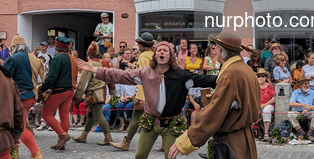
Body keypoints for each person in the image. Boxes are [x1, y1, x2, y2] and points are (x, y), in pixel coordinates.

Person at [77, 40, 218, 159]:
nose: (161, 52)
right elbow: (120, 75)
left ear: (171, 55)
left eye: (165, 50)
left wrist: (226, 76)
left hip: (172, 123)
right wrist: (96, 70)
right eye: (159, 50)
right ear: (155, 55)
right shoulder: (145, 73)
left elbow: (205, 80)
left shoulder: (181, 76)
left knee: (170, 157)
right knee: (140, 156)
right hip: (150, 122)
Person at [170, 30, 260, 159]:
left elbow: (214, 114)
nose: (215, 50)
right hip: (245, 137)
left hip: (232, 142)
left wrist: (185, 141)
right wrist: (217, 97)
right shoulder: (246, 69)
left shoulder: (230, 73)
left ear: (221, 50)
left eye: (216, 47)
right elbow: (241, 102)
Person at [110, 32, 156, 151]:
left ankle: (126, 142)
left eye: (138, 43)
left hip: (144, 93)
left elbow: (146, 77)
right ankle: (167, 143)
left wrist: (140, 95)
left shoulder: (144, 56)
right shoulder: (151, 54)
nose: (137, 45)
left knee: (137, 118)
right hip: (150, 92)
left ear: (142, 44)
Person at [3, 35, 44, 159]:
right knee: (22, 122)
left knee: (19, 127)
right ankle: (16, 153)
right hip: (31, 95)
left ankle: (36, 153)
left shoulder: (13, 58)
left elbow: (4, 77)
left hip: (20, 97)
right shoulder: (34, 58)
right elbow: (41, 77)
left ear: (14, 46)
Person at [38, 36, 78, 151]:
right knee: (64, 115)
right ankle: (61, 142)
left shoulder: (57, 58)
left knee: (45, 114)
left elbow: (51, 77)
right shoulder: (72, 58)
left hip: (59, 90)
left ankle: (62, 135)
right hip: (70, 90)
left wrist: (42, 89)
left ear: (57, 46)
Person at [72, 42, 112, 145]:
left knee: (99, 115)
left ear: (88, 54)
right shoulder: (104, 62)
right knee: (89, 115)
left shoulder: (89, 64)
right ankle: (83, 136)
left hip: (93, 94)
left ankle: (108, 138)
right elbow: (110, 78)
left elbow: (83, 82)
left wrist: (76, 97)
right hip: (101, 91)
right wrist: (112, 91)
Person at [288, 74, 314, 142]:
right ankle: (301, 133)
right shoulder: (295, 92)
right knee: (290, 114)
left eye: (308, 83)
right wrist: (303, 105)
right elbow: (290, 104)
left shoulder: (312, 92)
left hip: (309, 112)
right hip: (298, 112)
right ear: (300, 85)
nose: (307, 85)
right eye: (305, 84)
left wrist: (309, 108)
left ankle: (309, 134)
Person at [256, 68, 275, 140]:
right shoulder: (255, 86)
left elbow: (273, 99)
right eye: (259, 76)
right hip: (258, 104)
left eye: (262, 76)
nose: (260, 78)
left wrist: (264, 105)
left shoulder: (270, 86)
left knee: (266, 110)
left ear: (266, 77)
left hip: (268, 104)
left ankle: (266, 132)